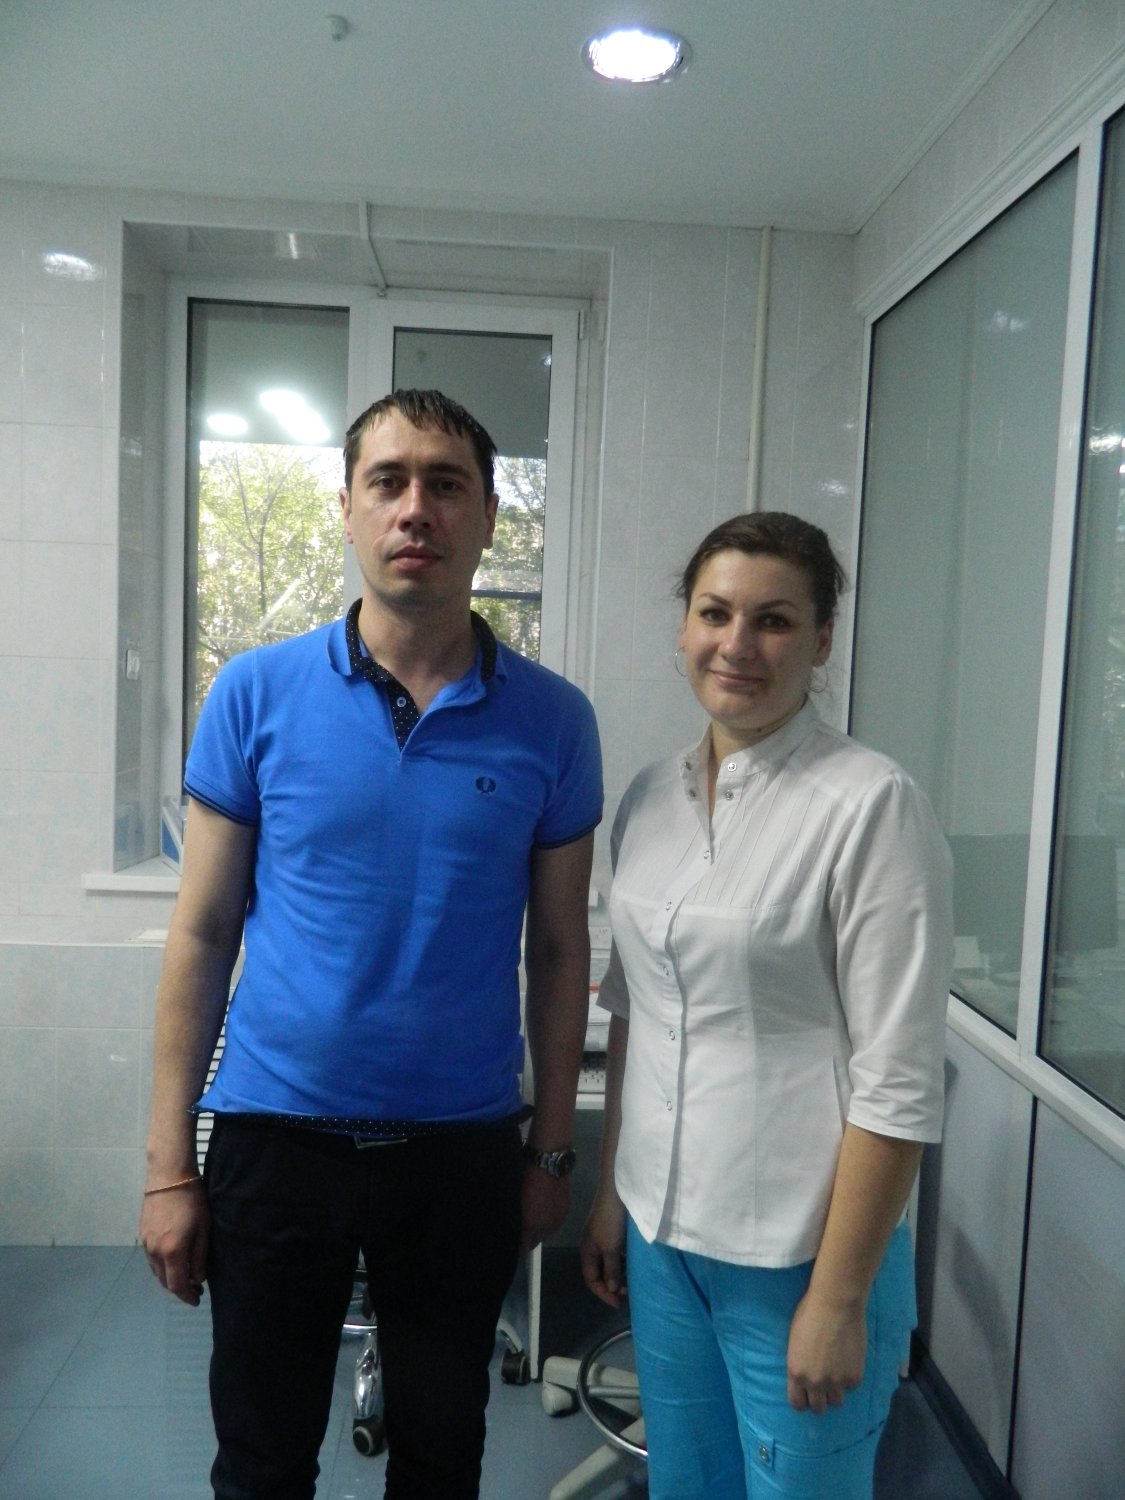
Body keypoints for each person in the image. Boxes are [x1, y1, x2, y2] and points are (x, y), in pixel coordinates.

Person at [139, 389, 602, 1500]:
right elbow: (202, 933)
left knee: (442, 1457)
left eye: (446, 484)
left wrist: (549, 1154)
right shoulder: (255, 693)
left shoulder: (552, 720)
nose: (415, 508)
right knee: (261, 1459)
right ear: (346, 508)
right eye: (387, 482)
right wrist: (168, 1168)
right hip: (275, 1138)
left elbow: (559, 949)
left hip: (459, 1152)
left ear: (488, 516)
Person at [580, 512, 952, 1500]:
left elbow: (899, 1084)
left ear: (821, 641)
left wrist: (840, 1299)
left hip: (799, 1253)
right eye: (715, 613)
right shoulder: (649, 799)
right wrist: (613, 1196)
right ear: (683, 627)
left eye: (774, 620)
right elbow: (635, 1016)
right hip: (662, 1234)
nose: (737, 644)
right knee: (687, 1482)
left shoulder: (870, 808)